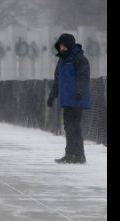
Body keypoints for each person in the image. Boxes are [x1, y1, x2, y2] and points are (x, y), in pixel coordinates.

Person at [47, 33, 91, 164]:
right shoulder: (62, 61)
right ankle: (70, 154)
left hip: (77, 100)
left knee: (74, 127)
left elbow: (83, 77)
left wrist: (80, 91)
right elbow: (57, 80)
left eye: (63, 45)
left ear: (69, 45)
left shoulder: (79, 59)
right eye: (60, 45)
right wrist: (52, 96)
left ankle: (79, 155)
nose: (61, 48)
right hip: (67, 100)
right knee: (68, 127)